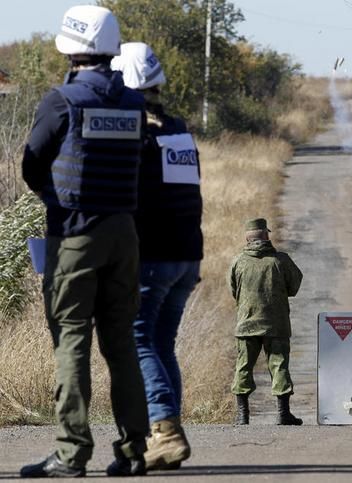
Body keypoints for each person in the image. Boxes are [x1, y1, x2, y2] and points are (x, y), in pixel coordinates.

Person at [20, 6, 149, 478]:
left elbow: (31, 165)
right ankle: (135, 452)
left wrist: (55, 198)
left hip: (74, 234)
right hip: (124, 234)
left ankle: (71, 454)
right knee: (121, 345)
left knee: (72, 342)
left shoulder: (62, 101)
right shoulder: (135, 104)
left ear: (71, 49)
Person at [111, 42, 202, 470]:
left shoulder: (136, 133)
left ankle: (164, 430)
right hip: (187, 256)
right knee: (162, 343)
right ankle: (167, 439)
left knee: (138, 339)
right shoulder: (178, 127)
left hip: (153, 256)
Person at [228, 218, 303, 425]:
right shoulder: (281, 260)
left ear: (247, 238)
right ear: (266, 236)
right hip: (276, 324)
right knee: (279, 367)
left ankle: (242, 415)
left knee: (243, 367)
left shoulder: (238, 262)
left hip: (246, 325)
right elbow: (294, 287)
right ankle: (283, 414)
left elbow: (234, 291)